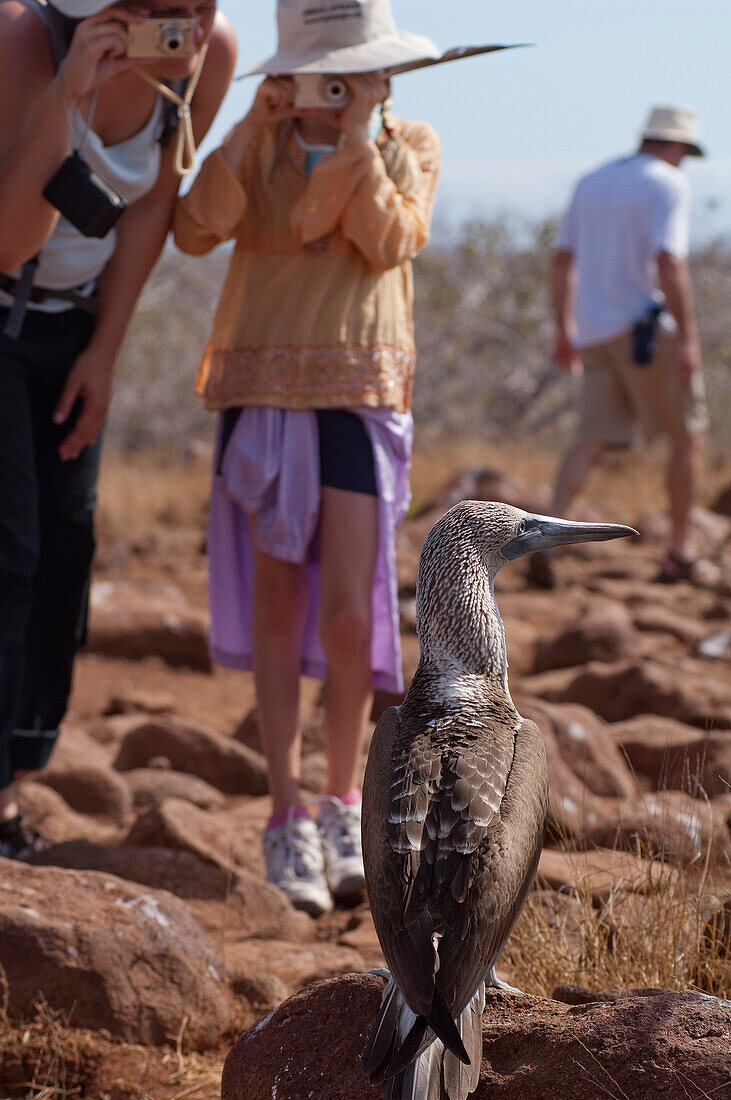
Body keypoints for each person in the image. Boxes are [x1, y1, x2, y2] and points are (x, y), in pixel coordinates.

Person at [173, 0, 441, 915]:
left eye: (349, 70)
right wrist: (255, 122)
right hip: (260, 384)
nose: (331, 88)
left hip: (359, 393)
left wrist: (357, 134)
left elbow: (393, 240)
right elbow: (196, 227)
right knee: (280, 591)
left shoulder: (408, 142)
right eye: (322, 71)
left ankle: (341, 804)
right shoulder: (262, 140)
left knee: (350, 610)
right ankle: (285, 812)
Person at [0, 0, 236, 859]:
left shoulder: (209, 54)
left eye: (202, 2)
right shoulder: (23, 38)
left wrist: (105, 350)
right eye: (166, 7)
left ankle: (17, 771)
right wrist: (66, 96)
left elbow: (150, 206)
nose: (190, 20)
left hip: (73, 325)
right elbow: (7, 236)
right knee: (8, 548)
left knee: (66, 541)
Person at [529, 104, 710, 590]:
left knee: (589, 438)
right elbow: (668, 261)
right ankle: (679, 550)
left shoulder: (592, 181)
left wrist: (564, 330)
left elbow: (562, 258)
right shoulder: (668, 183)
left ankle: (543, 536)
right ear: (677, 146)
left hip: (594, 332)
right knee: (684, 439)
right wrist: (689, 339)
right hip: (647, 335)